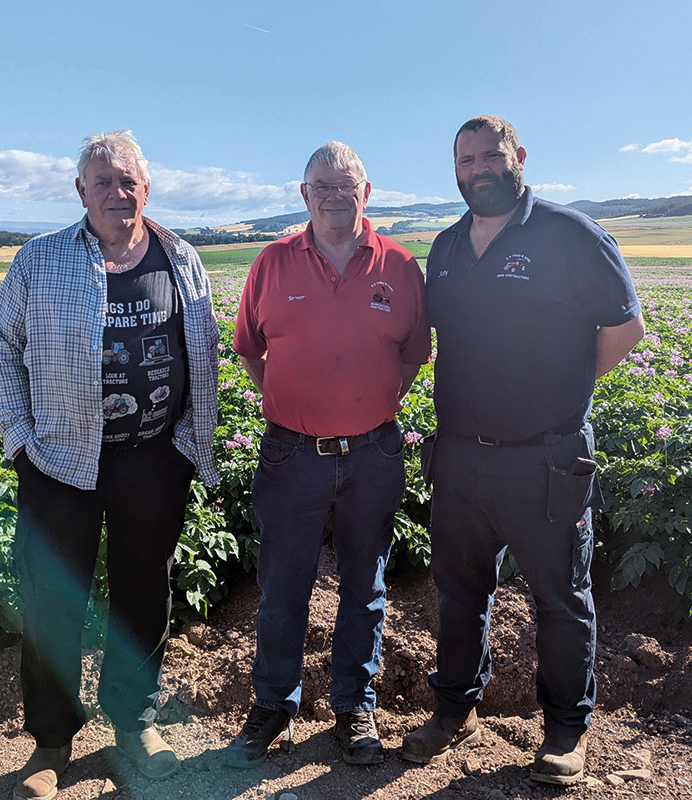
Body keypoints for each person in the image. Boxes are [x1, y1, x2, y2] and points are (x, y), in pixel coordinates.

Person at [401, 116, 644, 786]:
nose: (478, 168)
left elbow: (628, 327)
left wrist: (559, 390)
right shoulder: (447, 247)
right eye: (465, 159)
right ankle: (455, 711)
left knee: (560, 597)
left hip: (545, 458)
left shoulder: (569, 234)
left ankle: (567, 732)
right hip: (458, 455)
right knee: (457, 591)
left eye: (490, 156)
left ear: (519, 158)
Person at [0, 130, 220, 799]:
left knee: (143, 596)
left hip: (152, 460)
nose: (118, 193)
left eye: (129, 181)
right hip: (59, 462)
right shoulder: (40, 260)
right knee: (53, 602)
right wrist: (20, 441)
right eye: (104, 182)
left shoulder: (181, 257)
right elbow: (3, 345)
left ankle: (135, 726)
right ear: (81, 191)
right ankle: (51, 747)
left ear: (146, 188)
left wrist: (187, 443)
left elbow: (201, 350)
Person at [227, 141, 431, 767]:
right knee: (283, 586)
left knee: (364, 585)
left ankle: (354, 707)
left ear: (366, 192)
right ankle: (273, 707)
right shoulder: (272, 263)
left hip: (373, 453)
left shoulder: (399, 265)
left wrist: (367, 406)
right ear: (303, 193)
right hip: (291, 453)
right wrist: (291, 408)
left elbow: (413, 353)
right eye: (323, 185)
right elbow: (249, 348)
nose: (335, 195)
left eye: (347, 185)